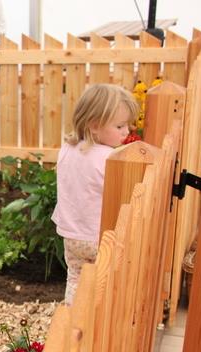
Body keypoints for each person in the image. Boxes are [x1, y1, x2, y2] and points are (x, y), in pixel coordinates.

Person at [52, 84, 138, 305]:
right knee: (105, 282)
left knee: (75, 278)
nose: (126, 131)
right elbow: (125, 194)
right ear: (94, 125)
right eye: (119, 125)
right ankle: (97, 318)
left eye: (127, 125)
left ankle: (73, 315)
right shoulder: (109, 158)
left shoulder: (67, 149)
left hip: (71, 235)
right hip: (99, 235)